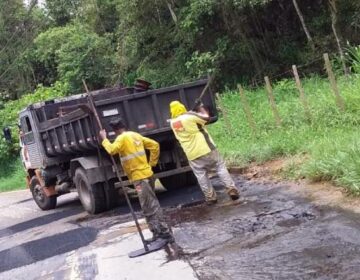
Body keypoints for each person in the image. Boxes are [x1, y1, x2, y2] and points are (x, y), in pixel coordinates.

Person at [99, 118, 172, 242]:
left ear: (115, 130)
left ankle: (164, 233)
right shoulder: (135, 135)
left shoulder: (121, 138)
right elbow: (155, 145)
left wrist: (104, 139)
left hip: (140, 178)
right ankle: (157, 233)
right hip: (147, 174)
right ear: (124, 126)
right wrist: (151, 164)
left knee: (149, 206)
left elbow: (111, 150)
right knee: (149, 205)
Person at [169, 100, 240, 205]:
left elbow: (187, 118)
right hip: (206, 148)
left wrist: (191, 112)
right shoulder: (190, 117)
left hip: (191, 154)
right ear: (182, 108)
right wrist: (201, 107)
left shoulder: (172, 123)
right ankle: (231, 190)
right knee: (220, 167)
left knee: (201, 175)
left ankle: (210, 198)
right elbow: (206, 118)